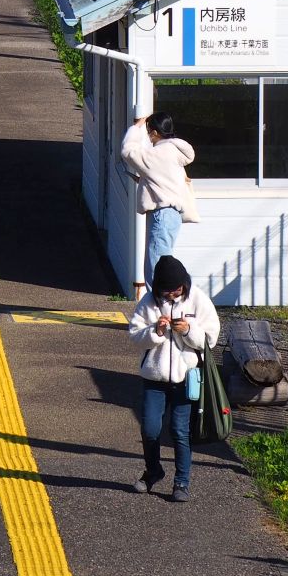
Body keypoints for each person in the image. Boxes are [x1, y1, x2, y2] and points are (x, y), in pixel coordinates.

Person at [126, 254, 219, 502]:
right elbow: (135, 335)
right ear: (158, 289)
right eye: (167, 292)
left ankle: (182, 482)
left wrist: (188, 331)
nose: (172, 296)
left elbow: (210, 339)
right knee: (150, 428)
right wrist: (155, 331)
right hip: (153, 378)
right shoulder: (148, 302)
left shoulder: (198, 299)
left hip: (187, 378)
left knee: (180, 431)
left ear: (184, 285)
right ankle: (153, 471)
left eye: (177, 291)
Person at [120, 110, 199, 296]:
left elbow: (128, 151)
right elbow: (165, 180)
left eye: (148, 131)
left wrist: (136, 126)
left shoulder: (157, 154)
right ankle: (169, 301)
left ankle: (159, 307)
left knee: (157, 265)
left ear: (154, 132)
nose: (148, 136)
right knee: (166, 262)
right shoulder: (174, 151)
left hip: (162, 215)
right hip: (173, 215)